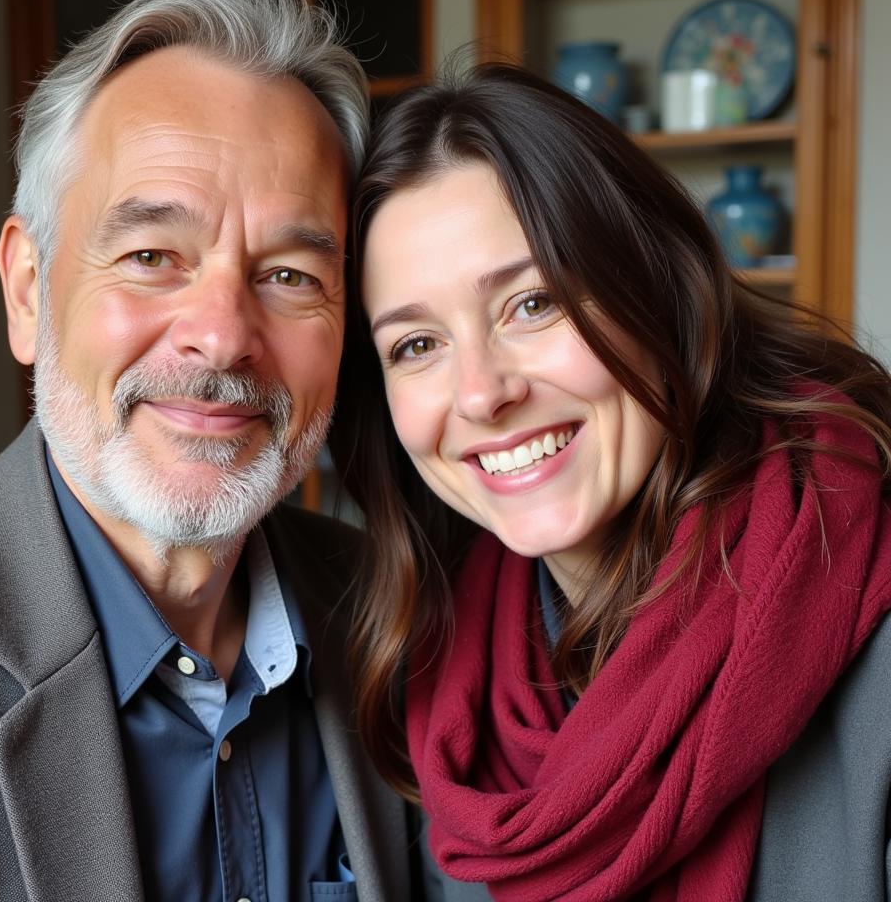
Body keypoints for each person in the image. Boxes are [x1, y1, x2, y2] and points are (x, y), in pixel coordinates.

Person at [0, 0, 421, 902]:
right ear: (28, 289)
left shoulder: (397, 615)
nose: (223, 333)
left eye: (289, 275)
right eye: (151, 256)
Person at [331, 62, 891, 902]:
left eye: (533, 303)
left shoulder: (873, 627)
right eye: (416, 346)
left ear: (653, 286)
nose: (482, 393)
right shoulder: (438, 692)